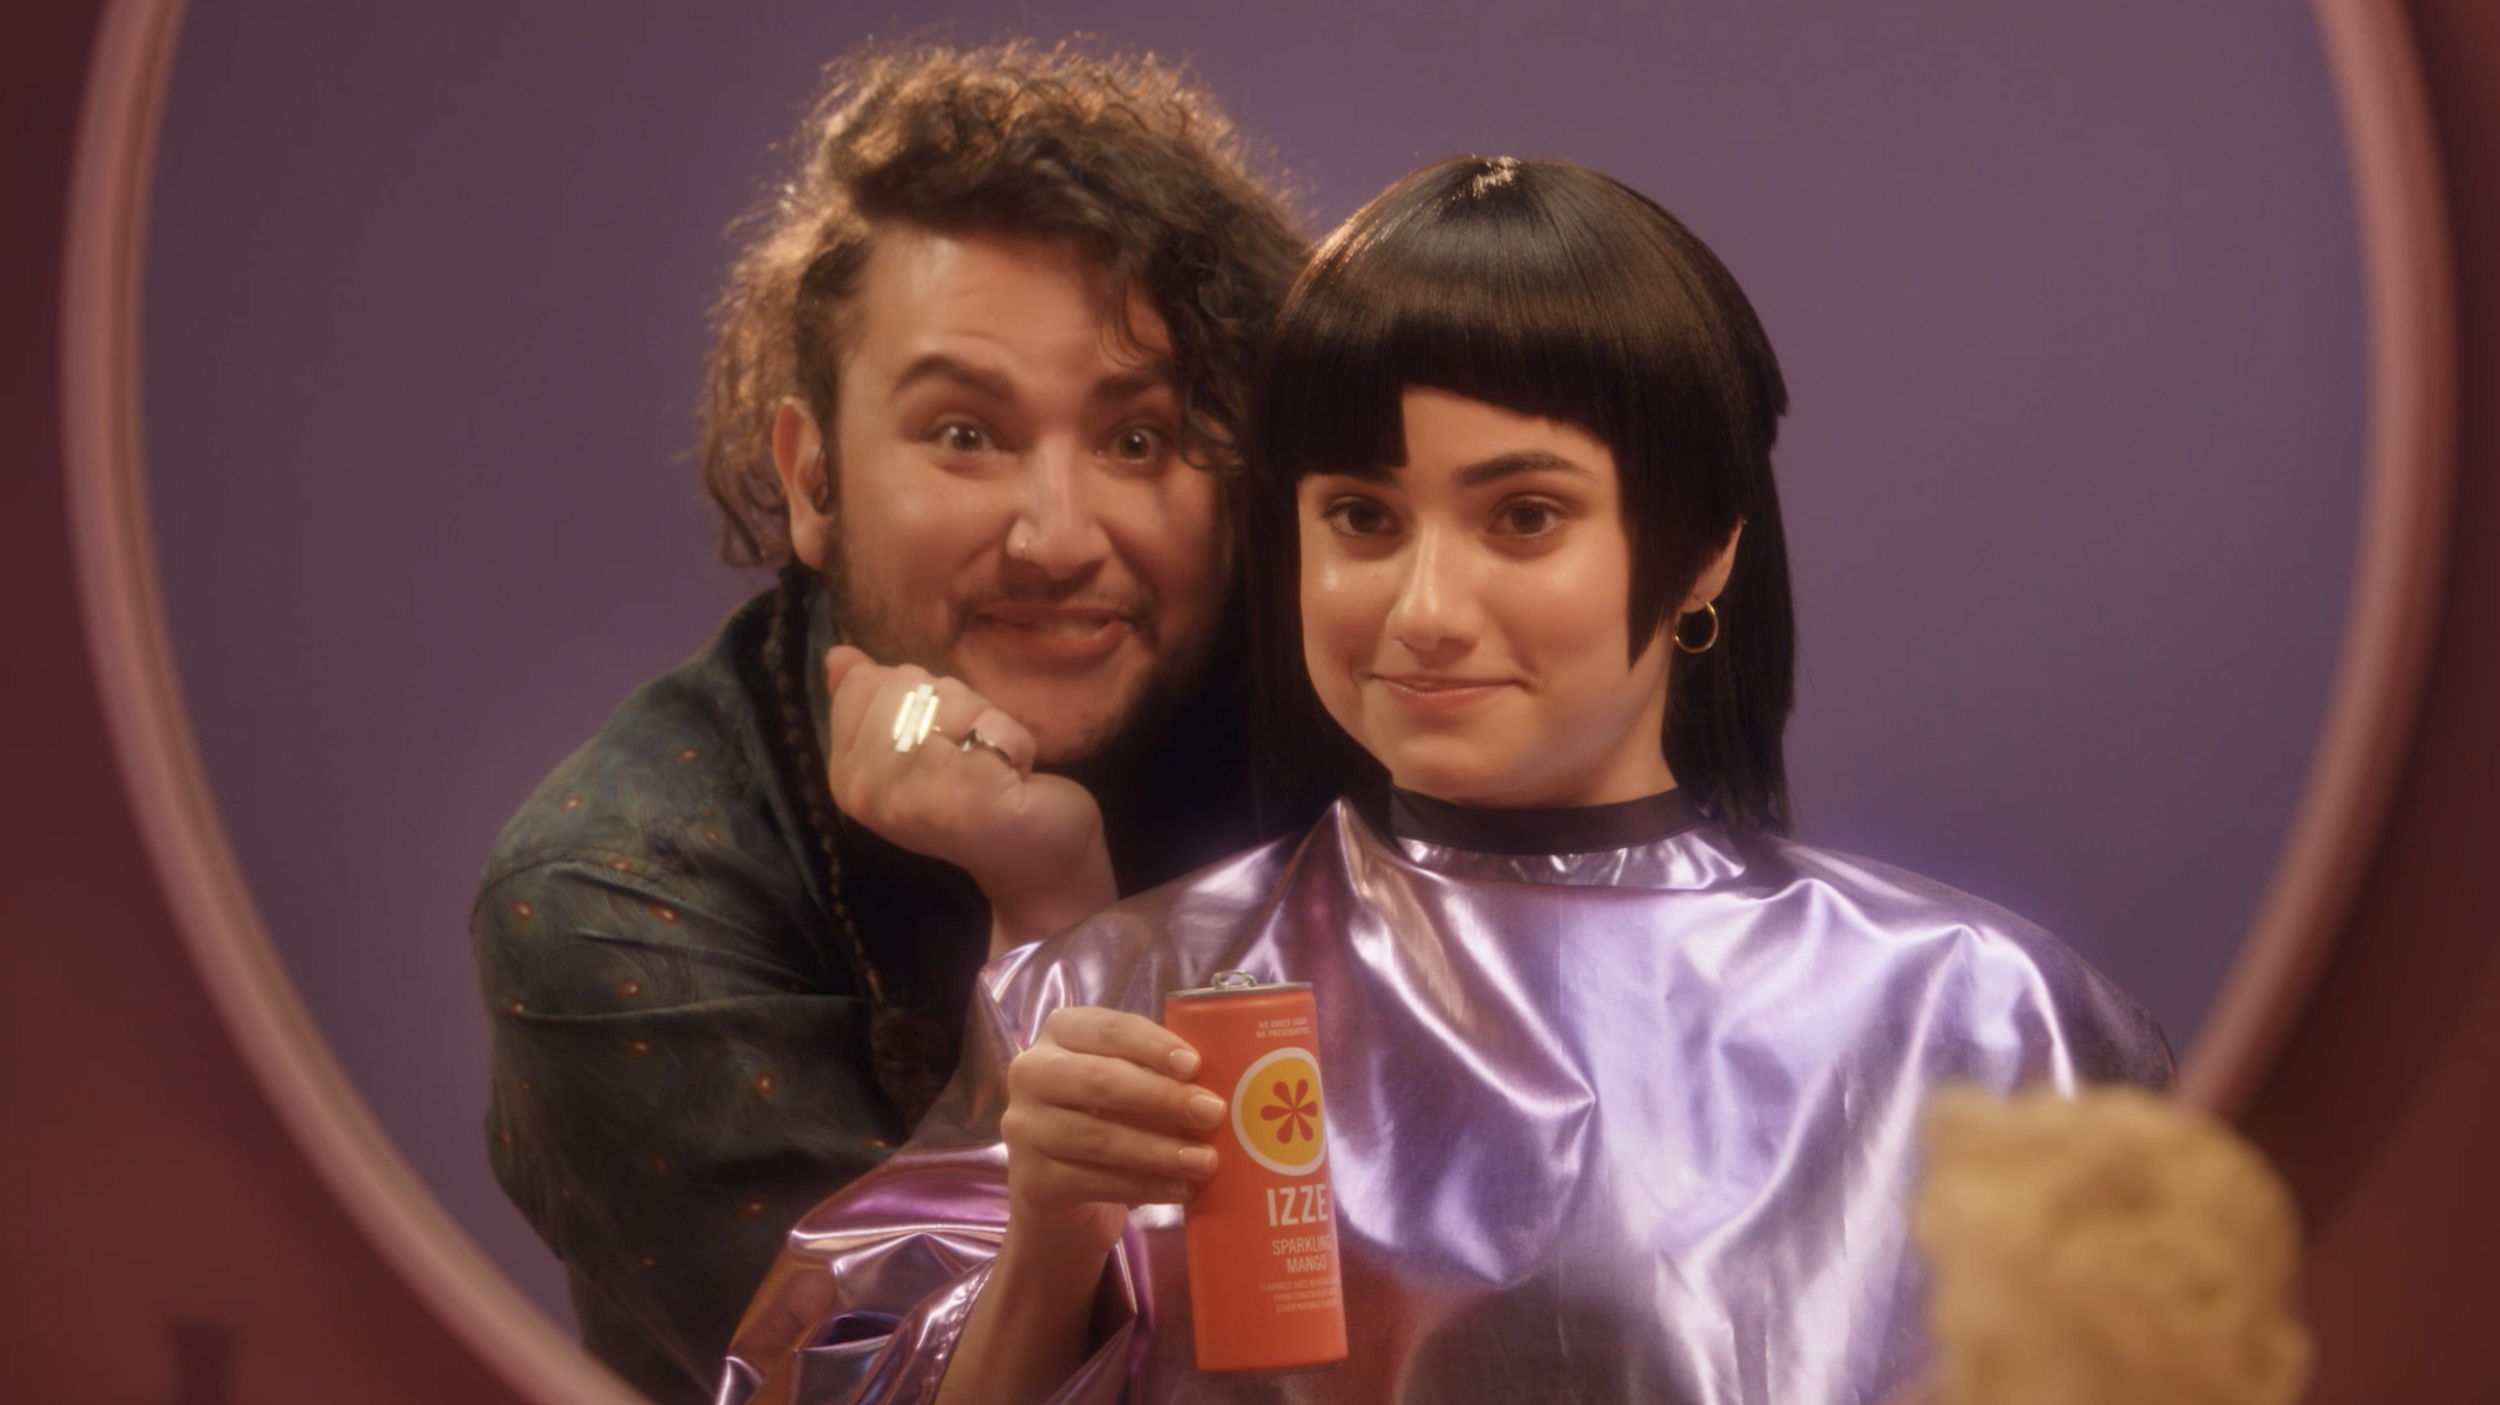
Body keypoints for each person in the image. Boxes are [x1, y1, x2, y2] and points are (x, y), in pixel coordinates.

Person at [715, 155, 2174, 1405]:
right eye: (1361, 517)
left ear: (1704, 548)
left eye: (1523, 517)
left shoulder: (1987, 1021)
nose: (1422, 610)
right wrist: (1049, 1247)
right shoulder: (1114, 1000)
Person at [468, 42, 1312, 1405]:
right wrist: (1052, 906)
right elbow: (872, 1387)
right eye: (965, 434)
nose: (1057, 537)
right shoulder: (614, 894)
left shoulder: (1339, 717)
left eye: (1139, 439)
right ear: (812, 480)